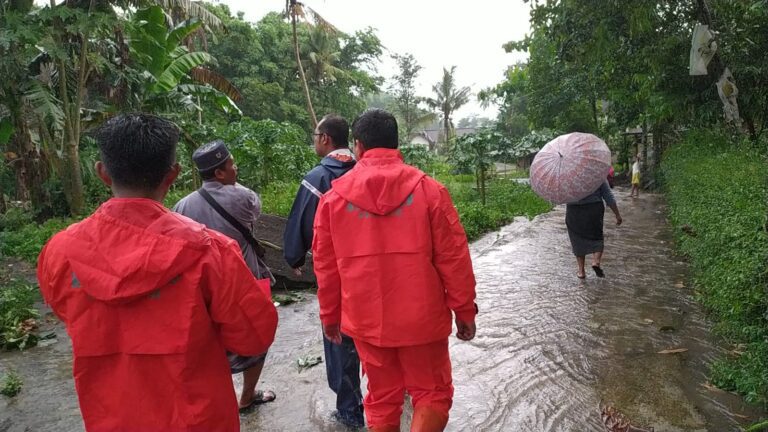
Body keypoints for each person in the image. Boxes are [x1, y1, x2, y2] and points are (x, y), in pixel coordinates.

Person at [37, 113, 278, 431]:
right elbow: (252, 338)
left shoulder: (59, 252)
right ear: (173, 174)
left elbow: (64, 310)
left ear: (102, 173)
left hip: (110, 418)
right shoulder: (211, 252)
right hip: (199, 419)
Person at [312, 109, 478, 432]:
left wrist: (330, 317)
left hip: (367, 322)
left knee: (382, 397)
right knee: (432, 394)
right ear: (396, 143)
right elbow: (454, 258)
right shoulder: (430, 191)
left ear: (358, 147)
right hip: (423, 321)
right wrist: (465, 310)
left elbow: (326, 268)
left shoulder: (332, 200)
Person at [173, 140, 277, 410]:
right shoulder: (243, 197)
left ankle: (221, 399)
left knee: (213, 342)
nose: (236, 167)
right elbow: (254, 210)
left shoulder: (181, 206)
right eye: (231, 164)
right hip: (247, 281)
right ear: (219, 173)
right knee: (257, 337)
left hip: (205, 287)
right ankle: (247, 395)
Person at [283, 115, 363, 428]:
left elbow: (300, 221)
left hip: (336, 274)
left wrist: (294, 258)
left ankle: (350, 412)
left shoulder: (317, 179)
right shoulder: (364, 172)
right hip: (373, 269)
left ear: (326, 139)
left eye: (315, 134)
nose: (314, 139)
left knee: (339, 338)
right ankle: (398, 394)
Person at [566, 180, 623, 279]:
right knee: (596, 235)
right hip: (594, 208)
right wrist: (617, 215)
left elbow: (559, 196)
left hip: (574, 210)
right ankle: (596, 261)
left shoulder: (567, 177)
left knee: (577, 238)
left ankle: (581, 271)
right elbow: (608, 196)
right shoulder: (597, 172)